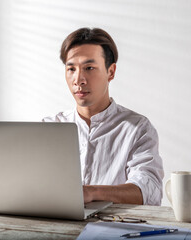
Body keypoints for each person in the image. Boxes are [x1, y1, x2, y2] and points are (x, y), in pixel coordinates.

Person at [43, 28, 164, 206]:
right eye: (71, 69)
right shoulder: (49, 127)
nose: (78, 79)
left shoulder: (137, 128)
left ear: (111, 72)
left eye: (89, 68)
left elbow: (149, 191)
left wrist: (90, 193)